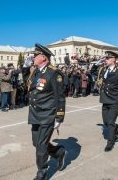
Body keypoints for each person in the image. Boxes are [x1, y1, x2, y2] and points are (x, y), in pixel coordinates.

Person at [27, 43, 67, 180]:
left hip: (48, 114)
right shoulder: (36, 71)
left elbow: (60, 97)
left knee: (41, 146)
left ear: (43, 57)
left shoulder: (53, 73)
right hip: (35, 113)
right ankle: (58, 152)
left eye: (35, 55)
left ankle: (42, 172)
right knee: (36, 143)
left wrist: (59, 117)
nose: (32, 57)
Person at [97, 51, 118, 152]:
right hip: (105, 99)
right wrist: (97, 63)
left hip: (114, 99)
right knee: (106, 122)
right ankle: (117, 129)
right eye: (105, 58)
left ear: (113, 59)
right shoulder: (103, 69)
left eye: (107, 58)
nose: (105, 60)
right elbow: (93, 73)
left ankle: (110, 142)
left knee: (110, 122)